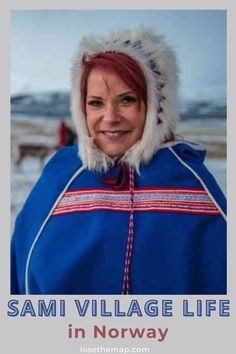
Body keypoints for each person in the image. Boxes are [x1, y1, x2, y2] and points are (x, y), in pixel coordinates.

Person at [11, 27, 226, 295]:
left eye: (126, 100)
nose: (110, 117)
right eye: (96, 103)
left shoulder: (192, 184)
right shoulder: (60, 179)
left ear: (156, 108)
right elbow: (18, 279)